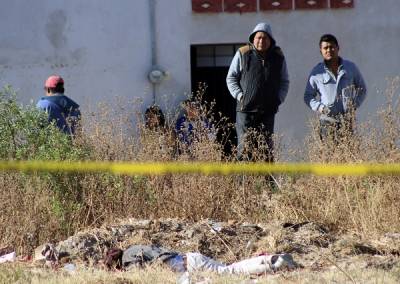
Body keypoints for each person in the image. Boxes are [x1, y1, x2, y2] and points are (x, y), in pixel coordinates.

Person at [226, 22, 289, 162]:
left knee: (266, 150)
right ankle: (244, 183)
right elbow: (231, 77)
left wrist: (278, 99)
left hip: (268, 111)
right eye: (258, 37)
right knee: (244, 149)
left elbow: (285, 81)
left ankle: (267, 183)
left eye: (265, 38)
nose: (261, 41)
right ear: (253, 38)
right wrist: (240, 96)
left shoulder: (278, 57)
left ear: (270, 40)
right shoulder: (243, 53)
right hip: (245, 111)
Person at [304, 34, 367, 140]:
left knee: (348, 154)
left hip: (347, 121)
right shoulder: (317, 72)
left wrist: (353, 106)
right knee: (329, 155)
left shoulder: (350, 67)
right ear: (321, 51)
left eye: (332, 47)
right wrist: (320, 108)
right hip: (327, 122)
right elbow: (308, 96)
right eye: (325, 48)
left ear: (338, 48)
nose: (329, 50)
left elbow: (362, 89)